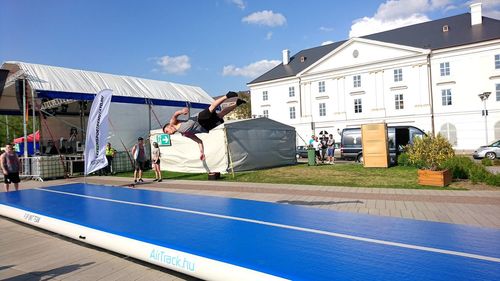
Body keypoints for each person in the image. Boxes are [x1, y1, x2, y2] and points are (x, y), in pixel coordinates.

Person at [162, 91, 246, 161]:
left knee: (211, 108)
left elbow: (175, 115)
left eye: (166, 131)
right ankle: (237, 103)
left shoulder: (173, 123)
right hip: (205, 127)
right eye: (167, 133)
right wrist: (202, 152)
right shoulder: (185, 134)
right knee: (221, 115)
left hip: (198, 119)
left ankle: (227, 96)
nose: (168, 133)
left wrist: (181, 111)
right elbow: (199, 141)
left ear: (169, 126)